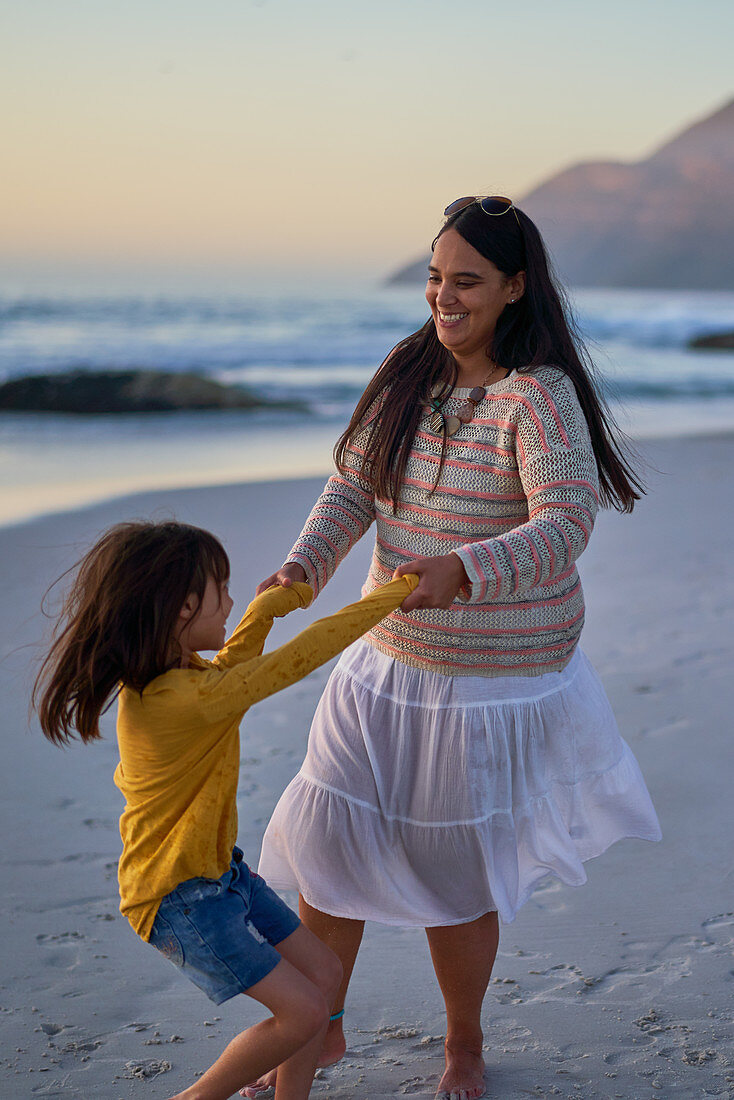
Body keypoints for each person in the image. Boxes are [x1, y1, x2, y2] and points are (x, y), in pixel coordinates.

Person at [248, 196, 662, 1100]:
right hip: (383, 656)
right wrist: (302, 568)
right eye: (436, 277)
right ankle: (320, 1024)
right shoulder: (408, 370)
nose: (444, 297)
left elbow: (566, 523)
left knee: (452, 875)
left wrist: (463, 568)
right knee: (326, 848)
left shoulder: (537, 396)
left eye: (466, 281)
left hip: (484, 677)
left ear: (515, 288)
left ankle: (463, 1045)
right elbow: (352, 487)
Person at [33, 519, 418, 1100]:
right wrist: (393, 594)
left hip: (219, 875)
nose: (232, 601)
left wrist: (272, 604)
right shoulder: (181, 701)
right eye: (223, 590)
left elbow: (237, 659)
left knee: (324, 976)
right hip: (177, 897)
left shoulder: (179, 676)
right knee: (304, 1011)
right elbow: (296, 660)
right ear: (184, 607)